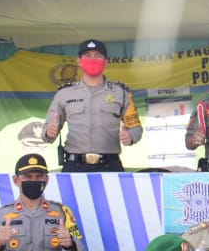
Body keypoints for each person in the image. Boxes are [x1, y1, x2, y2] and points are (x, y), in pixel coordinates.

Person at [43, 38, 143, 172]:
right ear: (79, 61)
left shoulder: (121, 93)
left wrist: (130, 137)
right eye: (87, 56)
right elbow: (47, 130)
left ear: (105, 62)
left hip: (110, 165)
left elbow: (135, 128)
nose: (93, 59)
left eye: (98, 56)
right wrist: (50, 132)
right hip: (75, 165)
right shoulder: (64, 94)